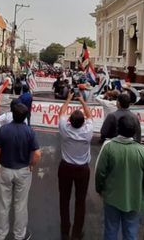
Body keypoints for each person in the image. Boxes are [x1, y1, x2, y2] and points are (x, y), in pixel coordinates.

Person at [95, 115, 144, 240]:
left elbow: (100, 172)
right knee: (131, 232)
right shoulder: (143, 151)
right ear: (135, 131)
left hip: (111, 198)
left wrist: (100, 189)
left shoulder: (108, 147)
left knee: (110, 230)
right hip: (135, 200)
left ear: (118, 129)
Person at [0, 104, 41, 240]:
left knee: (3, 202)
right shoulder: (29, 131)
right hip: (23, 171)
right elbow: (37, 153)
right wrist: (32, 165)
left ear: (12, 114)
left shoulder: (4, 130)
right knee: (20, 204)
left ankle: (0, 233)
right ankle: (19, 235)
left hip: (6, 170)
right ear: (26, 116)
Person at [57, 91, 93, 240]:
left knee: (64, 199)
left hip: (65, 168)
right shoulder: (88, 130)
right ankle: (77, 232)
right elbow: (90, 115)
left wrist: (68, 100)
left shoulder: (65, 129)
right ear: (83, 122)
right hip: (83, 170)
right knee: (80, 200)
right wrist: (82, 102)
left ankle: (65, 229)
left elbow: (61, 112)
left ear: (69, 121)